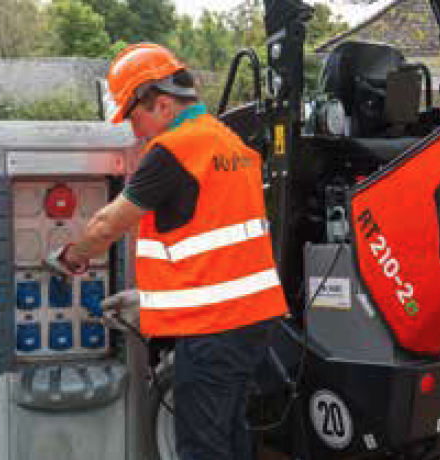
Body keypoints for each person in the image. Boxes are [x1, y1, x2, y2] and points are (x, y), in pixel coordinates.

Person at [49, 43, 288, 460]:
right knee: (232, 433)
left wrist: (70, 256)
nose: (134, 130)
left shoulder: (176, 148)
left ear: (160, 103)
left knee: (201, 445)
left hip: (215, 330)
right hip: (253, 320)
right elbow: (215, 244)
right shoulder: (228, 142)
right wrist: (147, 298)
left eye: (133, 116)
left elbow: (108, 224)